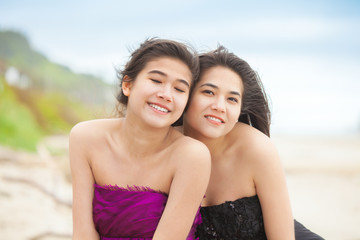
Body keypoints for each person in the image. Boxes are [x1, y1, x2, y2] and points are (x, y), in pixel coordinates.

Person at [69, 38, 211, 240]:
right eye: (156, 80)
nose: (166, 95)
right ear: (127, 85)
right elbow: (83, 233)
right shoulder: (85, 138)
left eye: (179, 89)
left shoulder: (191, 155)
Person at [179, 46, 324, 239]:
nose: (219, 106)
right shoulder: (165, 146)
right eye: (208, 92)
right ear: (186, 94)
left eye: (232, 99)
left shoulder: (256, 148)